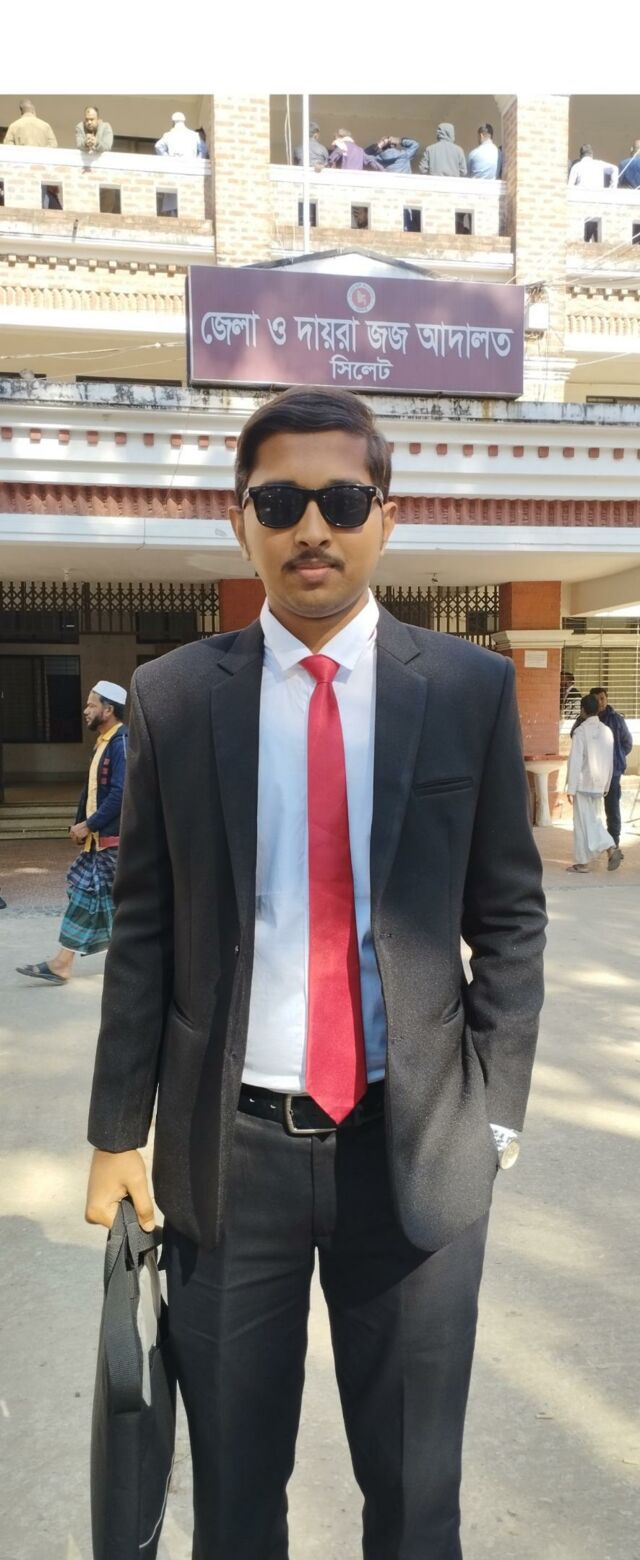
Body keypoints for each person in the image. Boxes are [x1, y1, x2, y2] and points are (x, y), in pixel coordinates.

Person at [84, 386, 546, 1559]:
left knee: (415, 1495)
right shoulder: (177, 697)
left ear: (386, 516)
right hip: (227, 1154)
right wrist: (116, 1133)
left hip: (416, 1143)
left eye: (341, 501)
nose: (311, 529)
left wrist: (493, 1115)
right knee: (236, 1497)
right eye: (280, 502)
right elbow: (145, 928)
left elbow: (509, 916)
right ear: (238, 519)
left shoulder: (468, 688)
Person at [17, 681, 127, 985]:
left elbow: (120, 794)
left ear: (108, 709)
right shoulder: (104, 742)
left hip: (112, 845)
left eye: (91, 705)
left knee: (112, 906)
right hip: (98, 844)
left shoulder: (120, 744)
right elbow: (92, 793)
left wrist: (89, 825)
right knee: (92, 900)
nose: (85, 710)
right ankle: (63, 964)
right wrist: (81, 825)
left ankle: (64, 964)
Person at [565, 693, 619, 873]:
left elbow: (575, 762)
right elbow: (610, 762)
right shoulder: (607, 731)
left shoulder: (581, 732)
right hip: (599, 783)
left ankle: (604, 849)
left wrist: (570, 788)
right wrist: (606, 785)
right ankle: (589, 858)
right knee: (593, 820)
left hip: (583, 784)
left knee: (582, 823)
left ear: (583, 710)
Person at [590, 685, 633, 857]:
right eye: (596, 699)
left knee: (612, 808)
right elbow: (575, 736)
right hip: (593, 772)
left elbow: (627, 743)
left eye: (602, 698)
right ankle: (594, 842)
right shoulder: (586, 719)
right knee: (591, 810)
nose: (600, 702)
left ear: (607, 699)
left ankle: (614, 844)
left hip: (613, 772)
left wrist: (616, 758)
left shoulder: (616, 719)